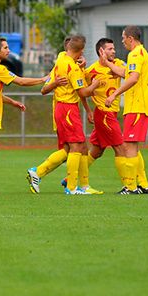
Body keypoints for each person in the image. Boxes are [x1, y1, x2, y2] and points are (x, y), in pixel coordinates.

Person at [27, 35, 102, 195]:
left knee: (80, 147)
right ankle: (72, 187)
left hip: (65, 108)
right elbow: (83, 92)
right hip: (67, 109)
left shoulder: (61, 58)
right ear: (81, 51)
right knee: (75, 146)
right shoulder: (72, 68)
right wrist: (95, 84)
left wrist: (81, 66)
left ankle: (83, 185)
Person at [0, 37, 47, 195]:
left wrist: (13, 102)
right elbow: (20, 81)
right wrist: (42, 79)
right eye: (6, 48)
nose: (9, 50)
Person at [72, 38, 128, 193]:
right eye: (110, 49)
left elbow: (124, 74)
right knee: (121, 148)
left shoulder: (118, 63)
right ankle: (128, 186)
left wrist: (109, 63)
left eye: (113, 48)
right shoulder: (91, 71)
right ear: (101, 52)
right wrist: (88, 110)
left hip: (112, 113)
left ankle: (68, 179)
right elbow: (81, 91)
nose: (114, 51)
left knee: (97, 151)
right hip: (104, 113)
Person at [105, 26, 148, 195]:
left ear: (131, 38)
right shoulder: (140, 53)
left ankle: (131, 187)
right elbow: (126, 72)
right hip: (137, 106)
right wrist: (108, 63)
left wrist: (114, 95)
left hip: (137, 106)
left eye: (124, 37)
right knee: (132, 147)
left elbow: (132, 78)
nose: (122, 41)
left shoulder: (135, 54)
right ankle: (144, 185)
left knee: (128, 146)